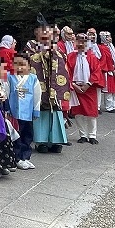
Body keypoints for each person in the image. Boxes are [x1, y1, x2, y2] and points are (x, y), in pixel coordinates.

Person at [28, 15, 71, 153]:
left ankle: (56, 140)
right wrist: (42, 53)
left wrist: (52, 52)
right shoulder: (31, 45)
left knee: (56, 112)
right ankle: (41, 142)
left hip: (54, 85)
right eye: (41, 31)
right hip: (40, 85)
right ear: (36, 32)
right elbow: (28, 60)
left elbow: (63, 59)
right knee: (41, 111)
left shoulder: (55, 47)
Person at [66, 33, 104, 144]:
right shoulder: (71, 57)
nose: (81, 44)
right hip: (76, 88)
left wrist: (88, 84)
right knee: (78, 113)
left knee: (91, 113)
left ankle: (92, 135)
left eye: (83, 41)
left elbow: (96, 72)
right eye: (78, 41)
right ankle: (82, 134)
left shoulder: (92, 56)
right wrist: (74, 85)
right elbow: (68, 72)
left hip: (89, 88)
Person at [8, 54, 42, 169]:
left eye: (23, 65)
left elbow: (37, 95)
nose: (20, 67)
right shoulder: (10, 77)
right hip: (14, 112)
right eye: (16, 64)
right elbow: (6, 93)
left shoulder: (33, 78)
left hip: (27, 112)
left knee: (27, 135)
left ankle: (25, 157)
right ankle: (17, 158)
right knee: (17, 135)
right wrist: (7, 110)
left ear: (29, 65)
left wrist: (36, 110)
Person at [98, 31, 115, 113]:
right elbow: (105, 61)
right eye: (107, 37)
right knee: (108, 90)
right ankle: (109, 106)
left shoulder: (112, 47)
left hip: (114, 70)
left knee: (114, 90)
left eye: (110, 37)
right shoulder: (102, 48)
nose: (109, 38)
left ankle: (113, 105)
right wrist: (112, 70)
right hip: (108, 71)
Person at [86, 27, 103, 114]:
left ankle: (98, 106)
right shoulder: (85, 45)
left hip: (96, 68)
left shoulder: (97, 46)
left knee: (97, 88)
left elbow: (99, 57)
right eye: (90, 34)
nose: (91, 36)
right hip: (86, 69)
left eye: (93, 34)